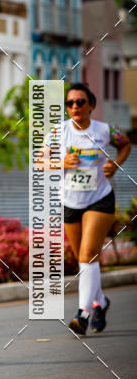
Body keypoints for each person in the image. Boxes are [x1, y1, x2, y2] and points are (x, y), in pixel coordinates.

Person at [46, 82, 131, 335]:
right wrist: (60, 162)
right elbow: (40, 162)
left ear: (91, 105)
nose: (75, 107)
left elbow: (125, 144)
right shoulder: (57, 132)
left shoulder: (105, 131)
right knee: (85, 259)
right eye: (70, 103)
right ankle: (100, 302)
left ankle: (82, 314)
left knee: (88, 254)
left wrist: (115, 164)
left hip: (100, 199)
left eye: (80, 102)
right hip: (70, 202)